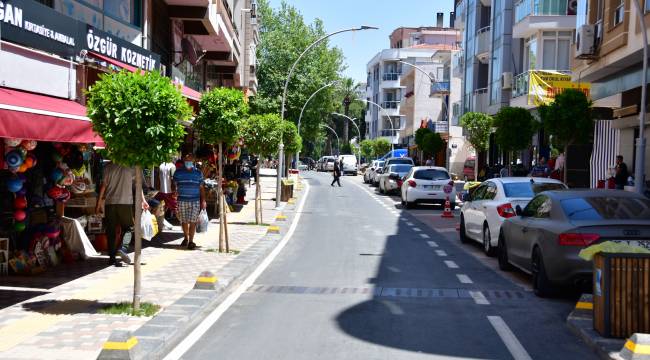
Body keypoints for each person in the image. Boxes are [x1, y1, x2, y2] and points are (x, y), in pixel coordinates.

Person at [95, 161, 149, 266]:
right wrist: (143, 200)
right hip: (125, 202)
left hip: (110, 203)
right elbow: (138, 185)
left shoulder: (108, 167)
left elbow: (103, 186)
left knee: (110, 230)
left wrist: (98, 204)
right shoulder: (131, 166)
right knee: (128, 228)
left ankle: (111, 257)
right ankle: (122, 249)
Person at [173, 154, 206, 250]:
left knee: (193, 221)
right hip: (182, 200)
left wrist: (203, 200)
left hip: (195, 200)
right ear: (184, 160)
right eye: (187, 160)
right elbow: (174, 183)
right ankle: (186, 238)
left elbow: (201, 187)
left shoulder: (198, 173)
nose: (188, 162)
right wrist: (174, 189)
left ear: (194, 160)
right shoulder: (178, 172)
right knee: (184, 221)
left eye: (190, 160)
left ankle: (191, 241)